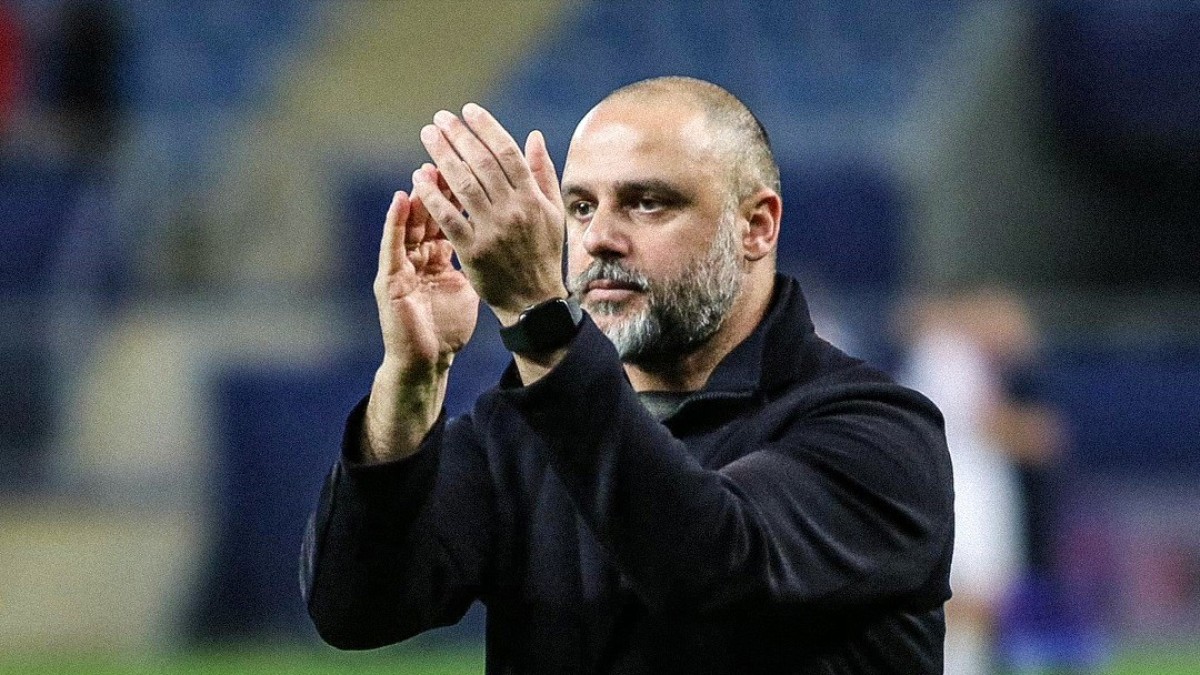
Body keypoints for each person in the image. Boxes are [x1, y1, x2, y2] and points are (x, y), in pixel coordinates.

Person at [301, 76, 954, 673]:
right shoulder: (518, 431)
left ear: (756, 227)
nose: (599, 239)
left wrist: (539, 321)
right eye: (581, 207)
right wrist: (412, 382)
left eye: (647, 203)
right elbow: (355, 609)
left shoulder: (879, 434)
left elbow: (713, 570)